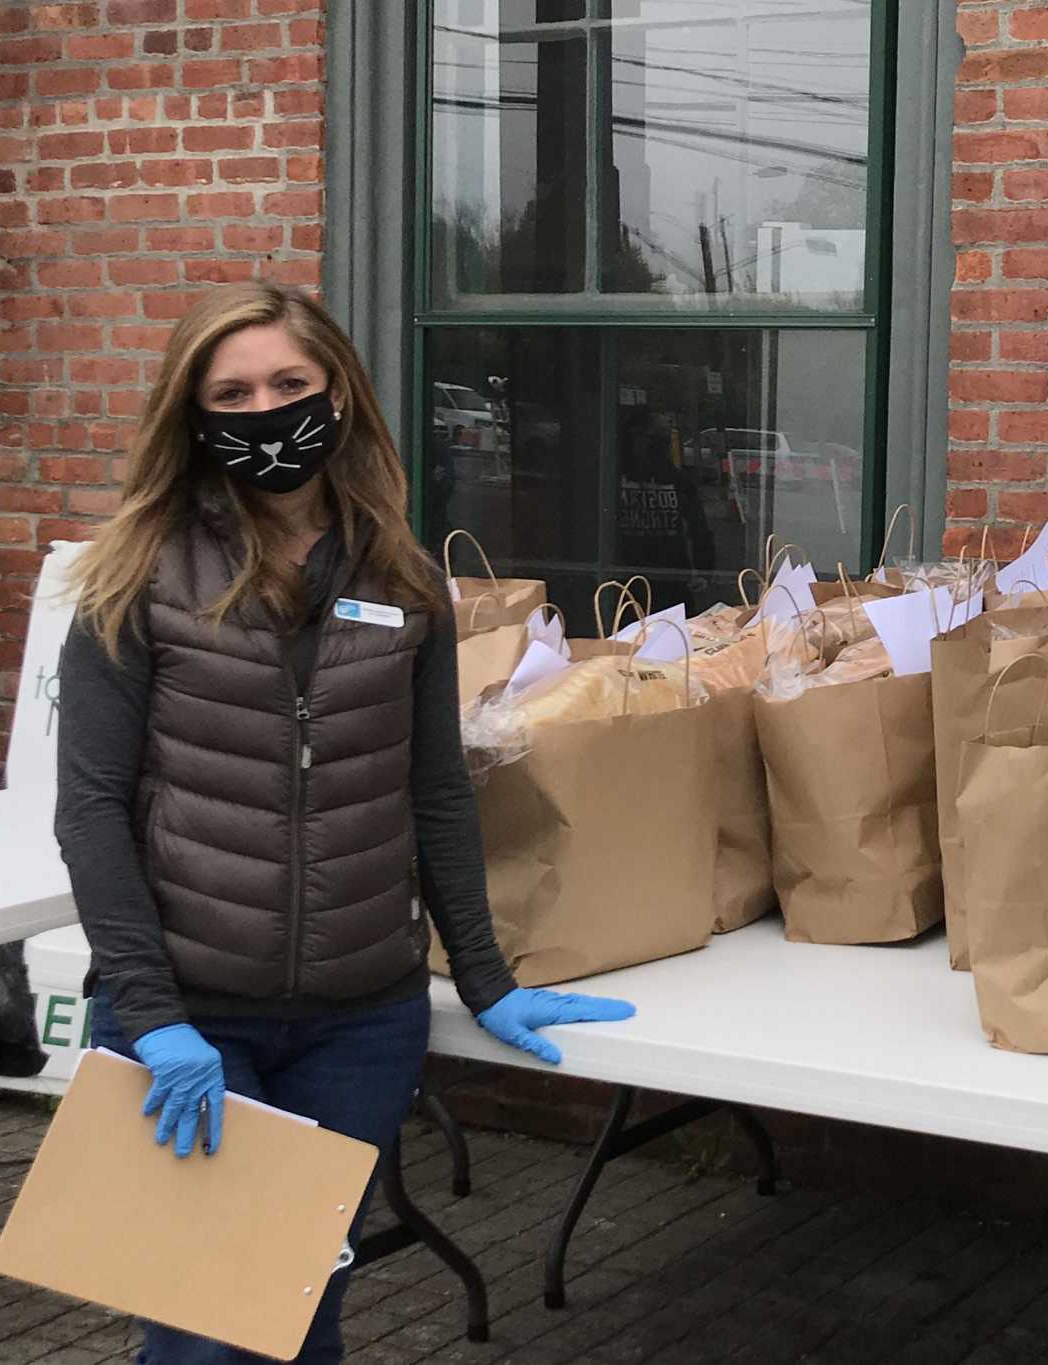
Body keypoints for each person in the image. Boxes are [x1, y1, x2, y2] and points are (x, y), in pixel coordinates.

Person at [53, 282, 635, 1363]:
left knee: (293, 1315)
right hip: (189, 1018)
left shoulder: (403, 579)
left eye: (288, 384)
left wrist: (484, 976)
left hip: (357, 1025)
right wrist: (151, 1012)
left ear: (338, 395)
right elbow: (88, 808)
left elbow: (435, 793)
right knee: (200, 1335)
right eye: (231, 393)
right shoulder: (131, 580)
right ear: (192, 414)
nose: (265, 410)